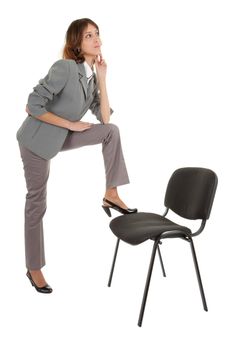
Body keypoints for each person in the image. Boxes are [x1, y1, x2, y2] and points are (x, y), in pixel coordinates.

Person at [16, 18, 137, 294]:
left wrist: (104, 81)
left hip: (61, 135)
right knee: (37, 202)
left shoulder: (91, 78)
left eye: (97, 34)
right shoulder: (65, 68)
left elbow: (104, 119)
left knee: (111, 132)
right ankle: (33, 267)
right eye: (88, 36)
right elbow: (32, 104)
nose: (96, 39)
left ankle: (111, 192)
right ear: (77, 44)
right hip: (36, 140)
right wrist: (71, 124)